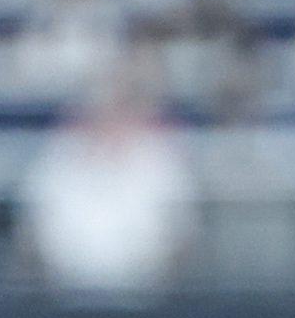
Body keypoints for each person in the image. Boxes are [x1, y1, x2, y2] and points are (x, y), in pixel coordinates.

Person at [16, 81, 196, 295]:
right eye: (99, 113)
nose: (108, 121)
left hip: (151, 293)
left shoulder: (160, 160)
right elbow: (30, 232)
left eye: (117, 112)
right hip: (62, 292)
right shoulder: (56, 160)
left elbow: (182, 233)